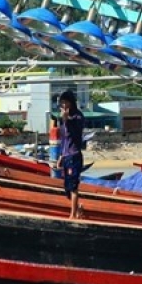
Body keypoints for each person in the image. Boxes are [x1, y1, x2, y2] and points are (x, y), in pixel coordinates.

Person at [56, 90, 84, 219]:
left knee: (73, 186)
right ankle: (78, 208)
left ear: (71, 103)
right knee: (67, 188)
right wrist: (61, 156)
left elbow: (75, 133)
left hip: (74, 155)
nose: (64, 105)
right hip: (66, 155)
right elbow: (64, 139)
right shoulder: (61, 119)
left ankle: (72, 214)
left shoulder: (78, 116)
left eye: (66, 102)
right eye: (62, 102)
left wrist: (67, 120)